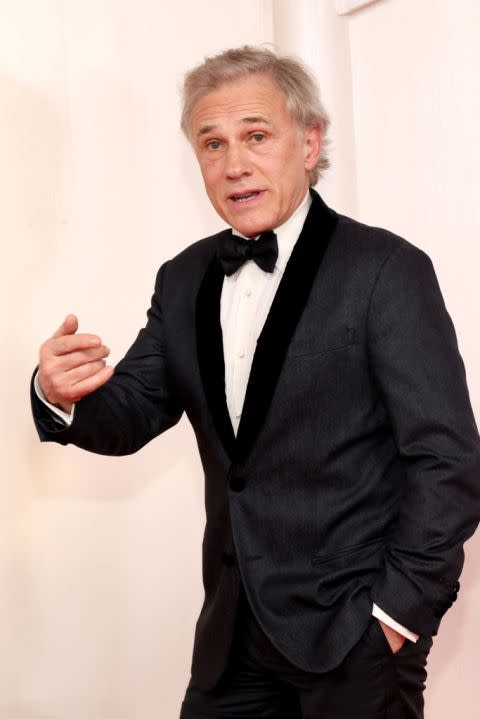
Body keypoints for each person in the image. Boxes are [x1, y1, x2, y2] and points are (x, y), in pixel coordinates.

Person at [31, 45, 480, 718]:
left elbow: (448, 461)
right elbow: (132, 410)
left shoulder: (385, 269)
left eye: (256, 136)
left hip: (352, 640)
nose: (233, 162)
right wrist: (58, 392)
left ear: (309, 141)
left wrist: (393, 615)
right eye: (212, 143)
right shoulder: (181, 280)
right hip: (230, 639)